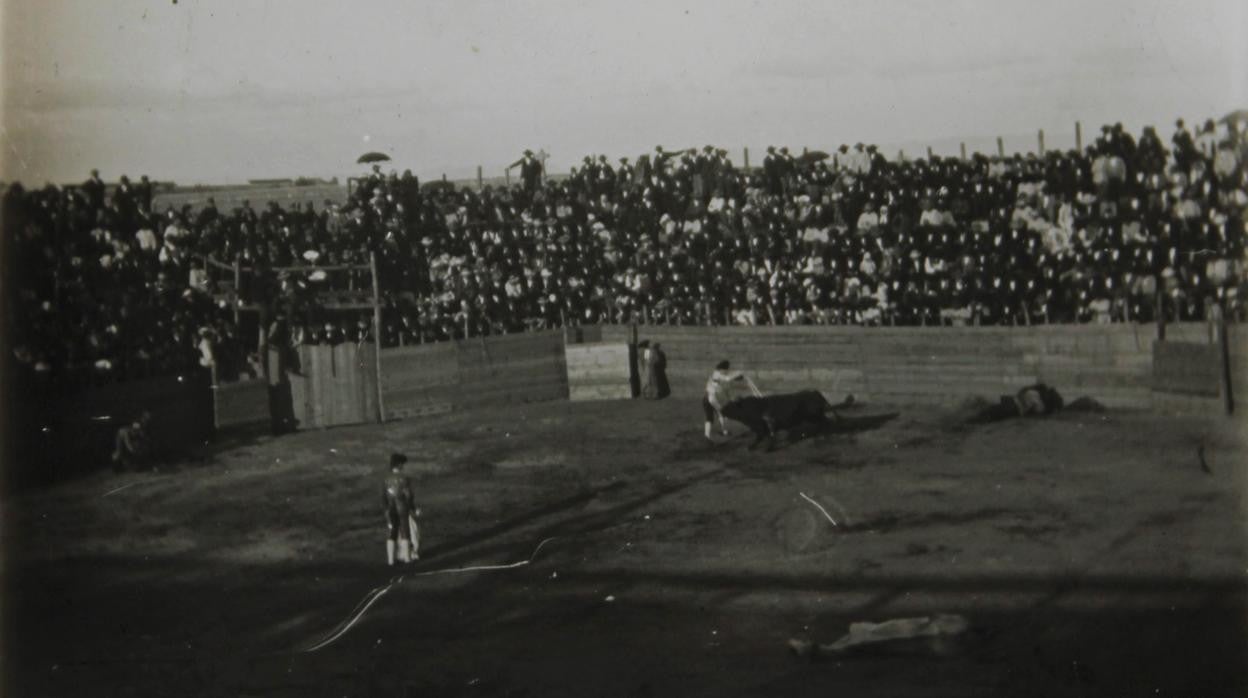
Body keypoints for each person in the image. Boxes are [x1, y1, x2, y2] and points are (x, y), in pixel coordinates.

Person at [382, 452, 420, 566]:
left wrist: (386, 509)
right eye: (402, 464)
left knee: (391, 532)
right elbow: (409, 496)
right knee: (405, 531)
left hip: (390, 508)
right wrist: (413, 508)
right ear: (399, 464)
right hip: (402, 507)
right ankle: (407, 558)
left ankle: (390, 561)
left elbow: (383, 496)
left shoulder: (385, 479)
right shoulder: (404, 479)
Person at [703, 360, 752, 440]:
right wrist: (739, 373)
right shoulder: (717, 374)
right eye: (726, 370)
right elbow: (728, 378)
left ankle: (708, 435)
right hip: (712, 398)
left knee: (711, 416)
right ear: (722, 369)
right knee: (721, 414)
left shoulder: (718, 376)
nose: (726, 372)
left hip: (707, 398)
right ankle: (722, 432)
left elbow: (728, 386)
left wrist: (741, 383)